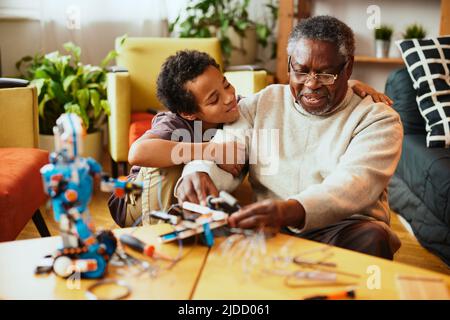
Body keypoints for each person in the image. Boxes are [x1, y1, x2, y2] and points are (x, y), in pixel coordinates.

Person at [175, 16, 403, 260]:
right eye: (301, 71)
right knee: (196, 225)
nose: (312, 84)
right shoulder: (261, 103)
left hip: (341, 228)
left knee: (372, 237)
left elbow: (354, 185)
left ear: (348, 68)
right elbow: (227, 150)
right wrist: (199, 172)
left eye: (325, 74)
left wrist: (289, 210)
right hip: (271, 226)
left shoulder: (378, 118)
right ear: (289, 66)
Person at [108, 48, 392, 228]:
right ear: (191, 113)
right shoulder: (174, 121)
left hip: (196, 191)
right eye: (214, 99)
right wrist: (209, 151)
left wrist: (345, 85)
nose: (230, 96)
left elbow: (281, 97)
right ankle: (163, 230)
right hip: (136, 202)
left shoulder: (237, 108)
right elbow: (138, 152)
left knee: (245, 173)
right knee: (177, 164)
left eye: (226, 84)